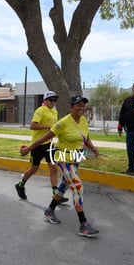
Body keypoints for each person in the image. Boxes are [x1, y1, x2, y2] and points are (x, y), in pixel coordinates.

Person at [20, 96, 100, 237]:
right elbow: (43, 138)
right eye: (78, 105)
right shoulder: (63, 122)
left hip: (76, 158)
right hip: (63, 158)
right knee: (77, 186)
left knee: (64, 186)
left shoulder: (82, 120)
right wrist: (28, 149)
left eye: (83, 105)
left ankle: (50, 210)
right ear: (71, 107)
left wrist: (92, 148)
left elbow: (85, 137)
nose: (81, 107)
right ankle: (83, 224)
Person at [15, 91, 68, 203]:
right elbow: (32, 126)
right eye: (51, 100)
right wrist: (48, 127)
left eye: (55, 100)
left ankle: (56, 194)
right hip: (37, 145)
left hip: (49, 144)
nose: (53, 102)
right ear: (45, 100)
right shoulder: (40, 110)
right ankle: (20, 185)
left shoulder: (54, 111)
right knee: (34, 168)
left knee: (53, 169)